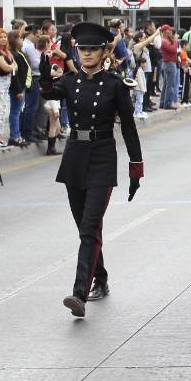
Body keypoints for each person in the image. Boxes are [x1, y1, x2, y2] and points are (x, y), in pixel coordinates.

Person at [39, 22, 144, 318]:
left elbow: (130, 129)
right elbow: (51, 94)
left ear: (104, 52)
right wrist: (44, 79)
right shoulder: (70, 81)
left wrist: (135, 168)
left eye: (93, 49)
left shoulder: (114, 85)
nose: (87, 53)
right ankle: (101, 277)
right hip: (75, 156)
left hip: (102, 157)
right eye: (82, 49)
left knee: (89, 226)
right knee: (85, 228)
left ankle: (79, 294)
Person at [8, 30, 31, 147]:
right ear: (14, 40)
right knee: (15, 112)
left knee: (18, 111)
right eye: (20, 38)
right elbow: (14, 74)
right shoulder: (13, 54)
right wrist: (18, 90)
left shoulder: (19, 53)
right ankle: (14, 136)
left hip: (22, 86)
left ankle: (18, 135)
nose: (22, 40)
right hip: (17, 88)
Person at [159, 25, 179, 110]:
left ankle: (163, 102)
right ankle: (168, 103)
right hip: (169, 63)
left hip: (168, 63)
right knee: (170, 84)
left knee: (166, 84)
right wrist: (175, 41)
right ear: (165, 31)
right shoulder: (164, 41)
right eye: (169, 30)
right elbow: (173, 49)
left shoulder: (165, 40)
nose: (171, 31)